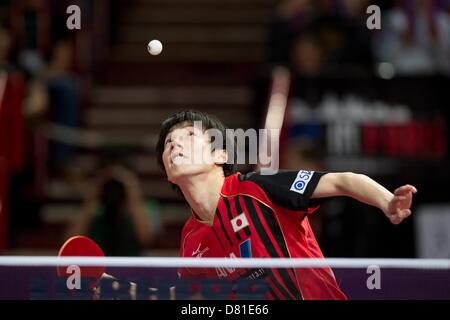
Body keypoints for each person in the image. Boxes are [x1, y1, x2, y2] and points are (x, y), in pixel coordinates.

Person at [155, 110, 417, 300]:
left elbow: (343, 181)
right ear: (167, 173)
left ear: (220, 155)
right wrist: (122, 288)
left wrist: (387, 202)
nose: (175, 143)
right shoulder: (191, 240)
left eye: (188, 135)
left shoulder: (256, 187)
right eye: (168, 142)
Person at [66, 159, 158, 256]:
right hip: (97, 267)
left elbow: (145, 239)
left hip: (132, 266)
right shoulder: (93, 209)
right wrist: (92, 195)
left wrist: (131, 190)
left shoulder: (147, 207)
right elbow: (72, 239)